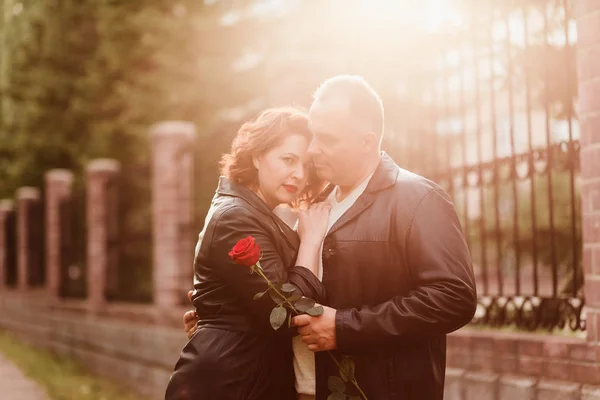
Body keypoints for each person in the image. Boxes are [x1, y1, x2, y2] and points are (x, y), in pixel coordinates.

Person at [184, 75, 477, 400]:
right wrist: (226, 317)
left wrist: (344, 328)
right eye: (313, 137)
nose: (312, 150)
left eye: (326, 139)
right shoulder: (313, 206)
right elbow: (282, 298)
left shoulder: (418, 199)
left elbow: (454, 298)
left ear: (366, 141)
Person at [165, 107, 331, 400]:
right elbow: (285, 311)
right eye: (288, 160)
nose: (299, 175)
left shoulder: (255, 212)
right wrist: (311, 241)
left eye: (306, 165)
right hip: (230, 382)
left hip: (246, 376)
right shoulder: (236, 216)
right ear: (257, 156)